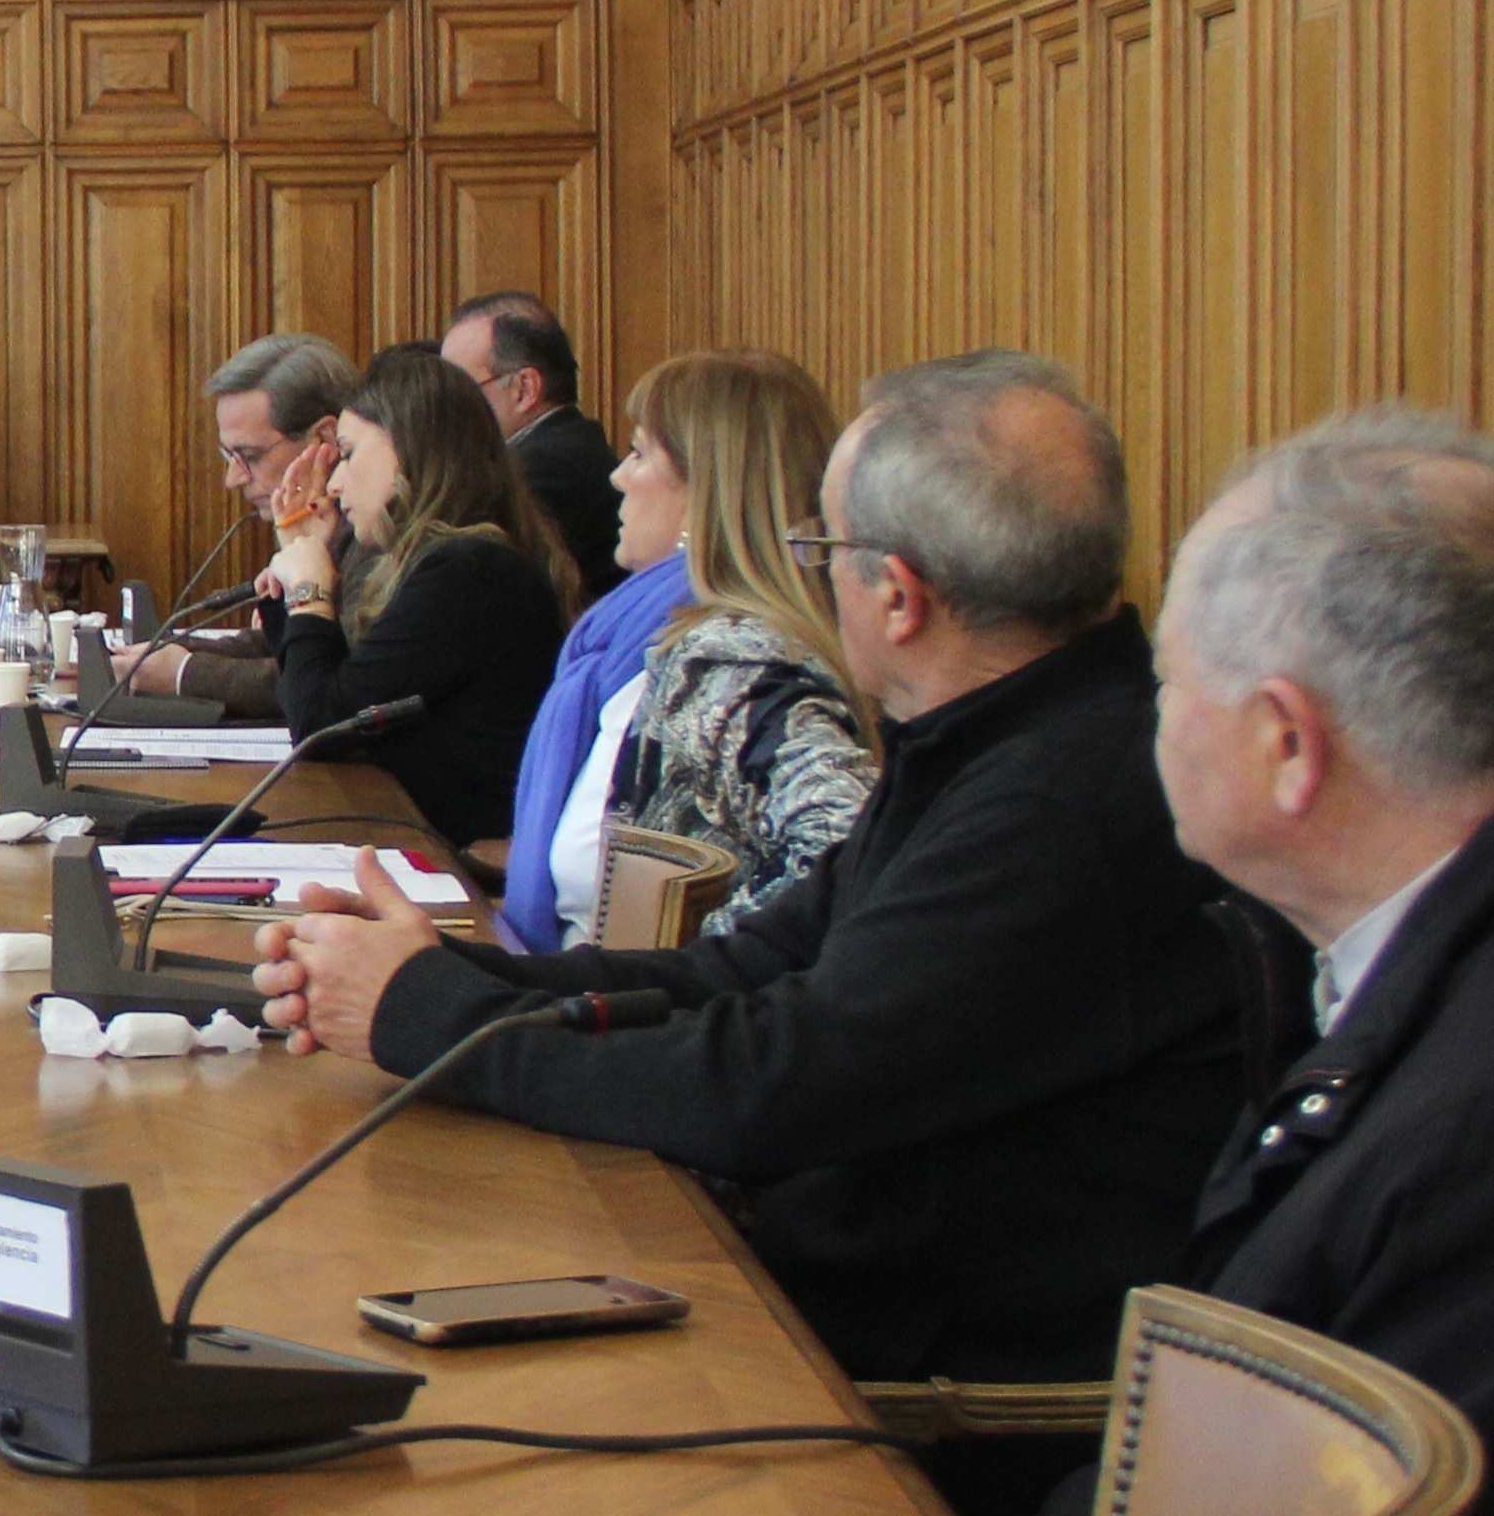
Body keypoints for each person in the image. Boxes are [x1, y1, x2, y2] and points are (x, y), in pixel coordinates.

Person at [253, 350, 1250, 1413]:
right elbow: (744, 967)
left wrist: (427, 1016)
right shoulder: (994, 745)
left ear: (897, 596)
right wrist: (437, 976)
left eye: (823, 547)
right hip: (817, 1306)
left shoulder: (1054, 807)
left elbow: (771, 1083)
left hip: (896, 1402)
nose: (810, 573)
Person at [1001, 409, 1494, 1516]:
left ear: (1283, 745)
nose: (1142, 733)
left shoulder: (1465, 1127)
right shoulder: (1377, 970)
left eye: (1163, 698)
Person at [502, 351, 873, 950]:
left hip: (634, 1029)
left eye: (641, 453)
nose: (617, 476)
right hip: (578, 1006)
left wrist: (704, 968)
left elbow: (845, 846)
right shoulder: (645, 644)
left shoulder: (733, 662)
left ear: (710, 490)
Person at [260, 344, 569, 847]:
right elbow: (315, 689)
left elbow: (321, 726)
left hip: (456, 854)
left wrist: (310, 595)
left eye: (350, 454)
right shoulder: (441, 562)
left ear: (409, 449)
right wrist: (303, 557)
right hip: (406, 827)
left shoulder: (470, 572)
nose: (334, 483)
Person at [126, 332, 351, 716]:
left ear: (325, 437)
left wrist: (184, 672)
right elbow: (277, 646)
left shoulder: (375, 530)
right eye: (228, 456)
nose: (233, 479)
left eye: (250, 456)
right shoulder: (311, 519)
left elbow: (328, 680)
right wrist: (160, 654)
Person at [442, 291, 622, 603]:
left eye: (457, 390)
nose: (444, 410)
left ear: (524, 389)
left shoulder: (542, 471)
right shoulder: (567, 447)